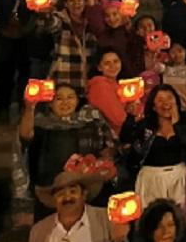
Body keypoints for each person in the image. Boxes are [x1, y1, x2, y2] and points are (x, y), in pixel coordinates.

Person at [19, 83, 115, 217]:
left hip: (86, 189)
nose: (65, 102)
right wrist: (30, 107)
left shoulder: (92, 121)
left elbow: (106, 150)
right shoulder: (41, 122)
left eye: (70, 97)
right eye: (59, 98)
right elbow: (25, 137)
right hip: (51, 190)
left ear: (77, 101)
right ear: (50, 104)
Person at [120, 84, 186, 212]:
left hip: (179, 178)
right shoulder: (145, 127)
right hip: (151, 179)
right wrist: (130, 117)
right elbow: (125, 139)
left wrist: (176, 125)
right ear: (154, 107)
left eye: (169, 98)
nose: (166, 103)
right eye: (160, 100)